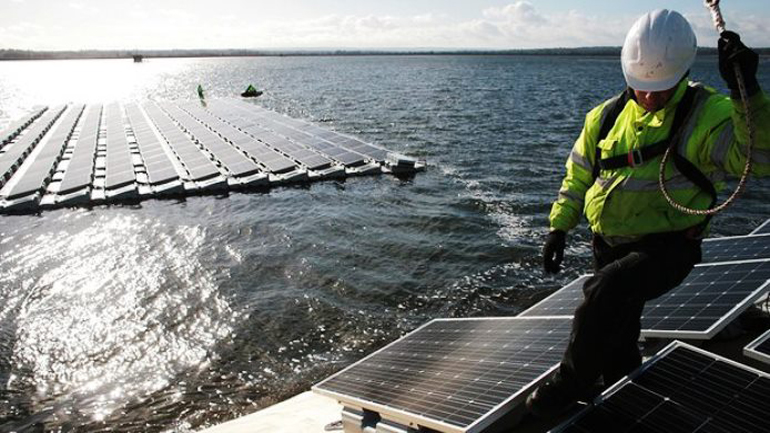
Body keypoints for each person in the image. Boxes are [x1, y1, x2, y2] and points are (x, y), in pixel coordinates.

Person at [526, 9, 770, 418]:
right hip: (607, 243)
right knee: (618, 331)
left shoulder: (708, 114)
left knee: (605, 291)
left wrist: (749, 96)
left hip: (668, 247)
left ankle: (567, 386)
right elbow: (579, 174)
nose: (651, 97)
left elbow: (759, 159)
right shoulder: (603, 118)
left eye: (661, 88)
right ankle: (625, 394)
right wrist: (559, 227)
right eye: (643, 88)